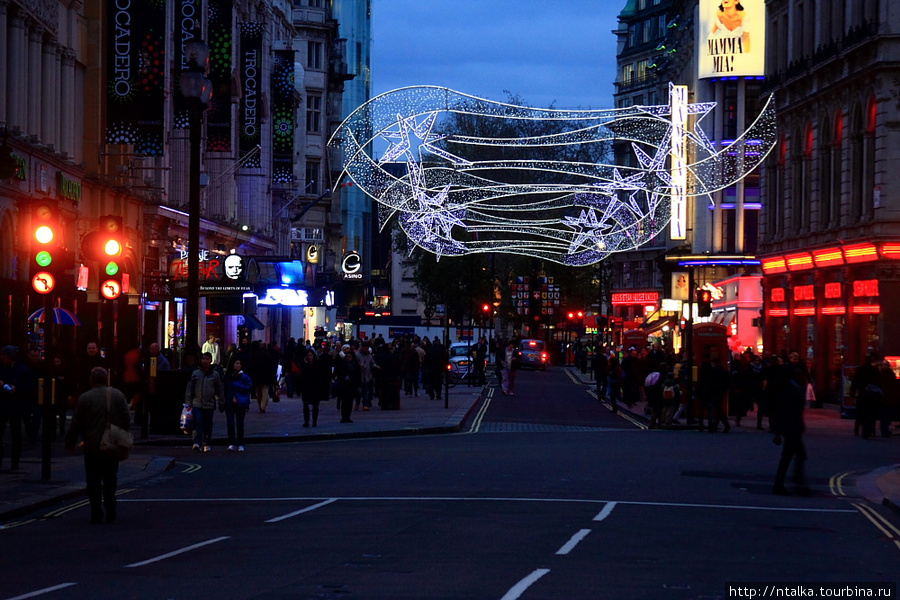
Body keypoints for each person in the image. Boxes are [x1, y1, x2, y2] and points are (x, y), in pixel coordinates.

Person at [65, 367, 130, 523]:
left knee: (93, 480)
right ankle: (110, 507)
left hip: (92, 445)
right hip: (112, 445)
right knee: (110, 478)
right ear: (106, 379)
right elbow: (126, 418)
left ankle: (96, 511)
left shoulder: (85, 398)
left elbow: (76, 423)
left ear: (91, 380)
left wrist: (70, 442)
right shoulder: (117, 395)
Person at [772, 351, 810, 496]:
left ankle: (791, 483)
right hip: (791, 428)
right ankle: (789, 484)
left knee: (793, 456)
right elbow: (783, 409)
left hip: (792, 427)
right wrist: (778, 431)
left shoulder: (794, 388)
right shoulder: (791, 389)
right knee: (793, 456)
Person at [184, 352, 224, 452]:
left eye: (207, 359)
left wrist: (221, 402)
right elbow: (190, 389)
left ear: (210, 361)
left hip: (209, 404)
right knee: (198, 422)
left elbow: (219, 389)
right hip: (197, 402)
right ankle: (197, 442)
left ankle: (207, 442)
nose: (205, 361)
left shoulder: (215, 375)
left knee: (208, 424)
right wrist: (188, 403)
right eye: (203, 359)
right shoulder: (196, 373)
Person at [0, 346, 29, 471]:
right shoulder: (16, 368)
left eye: (4, 355)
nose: (2, 357)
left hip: (15, 405)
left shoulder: (21, 370)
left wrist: (16, 389)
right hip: (4, 404)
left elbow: (28, 386)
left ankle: (14, 462)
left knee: (15, 435)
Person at [223, 358, 252, 451]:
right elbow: (225, 389)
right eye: (236, 363)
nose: (238, 365)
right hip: (230, 401)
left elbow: (248, 387)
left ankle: (240, 443)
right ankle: (231, 442)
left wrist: (236, 385)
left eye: (240, 363)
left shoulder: (244, 377)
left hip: (241, 402)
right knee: (230, 423)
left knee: (240, 423)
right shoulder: (227, 376)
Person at [697, 351, 730, 433]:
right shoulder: (722, 370)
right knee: (717, 409)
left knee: (712, 409)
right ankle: (714, 425)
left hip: (710, 392)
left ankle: (713, 425)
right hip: (718, 392)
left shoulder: (708, 371)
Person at [334, 345, 360, 423]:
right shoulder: (343, 364)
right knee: (344, 402)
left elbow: (358, 375)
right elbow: (338, 373)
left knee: (350, 402)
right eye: (347, 357)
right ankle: (344, 416)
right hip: (344, 385)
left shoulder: (355, 365)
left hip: (351, 386)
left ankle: (348, 416)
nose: (348, 358)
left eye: (350, 357)